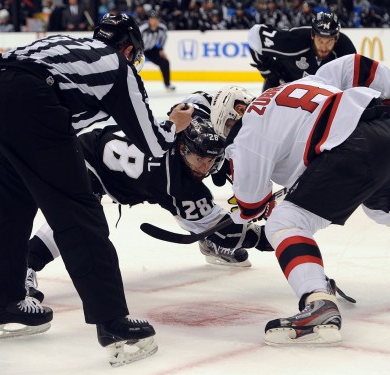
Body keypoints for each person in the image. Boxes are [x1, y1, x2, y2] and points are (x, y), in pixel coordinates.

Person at [0, 13, 193, 367]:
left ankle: (4, 304)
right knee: (78, 213)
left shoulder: (65, 45)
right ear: (128, 49)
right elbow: (153, 143)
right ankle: (113, 323)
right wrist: (175, 125)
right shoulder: (118, 66)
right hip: (27, 101)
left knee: (8, 211)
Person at [209, 54, 390, 346]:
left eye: (225, 126)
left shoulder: (248, 127)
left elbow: (251, 205)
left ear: (238, 109)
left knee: (284, 223)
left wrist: (262, 205)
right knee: (388, 210)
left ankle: (317, 304)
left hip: (356, 150)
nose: (228, 137)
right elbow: (358, 65)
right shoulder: (302, 83)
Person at [25, 97, 273, 302]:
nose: (204, 167)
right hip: (85, 161)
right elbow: (225, 231)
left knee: (183, 205)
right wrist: (274, 236)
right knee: (80, 218)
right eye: (199, 158)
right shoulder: (177, 183)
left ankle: (207, 241)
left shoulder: (184, 127)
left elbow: (199, 101)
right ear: (184, 149)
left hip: (96, 148)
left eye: (211, 161)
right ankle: (23, 267)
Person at [248, 11, 356, 92]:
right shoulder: (295, 40)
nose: (324, 47)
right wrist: (268, 71)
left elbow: (353, 82)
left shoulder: (345, 50)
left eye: (329, 41)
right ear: (313, 35)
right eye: (320, 40)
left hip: (318, 98)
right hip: (281, 88)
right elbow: (255, 35)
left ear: (336, 38)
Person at [140, 9, 176, 91]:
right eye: (152, 19)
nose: (154, 21)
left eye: (156, 19)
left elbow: (163, 38)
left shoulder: (162, 28)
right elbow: (134, 38)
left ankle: (167, 84)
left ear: (159, 20)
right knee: (131, 66)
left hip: (151, 49)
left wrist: (161, 49)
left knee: (165, 62)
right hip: (139, 49)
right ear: (149, 19)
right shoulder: (143, 29)